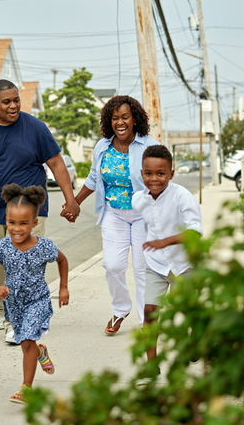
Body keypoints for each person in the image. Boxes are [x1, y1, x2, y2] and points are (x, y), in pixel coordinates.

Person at [0, 79, 80, 344]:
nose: (13, 106)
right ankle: (1, 310)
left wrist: (71, 200)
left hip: (29, 211)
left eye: (16, 100)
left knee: (26, 265)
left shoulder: (35, 128)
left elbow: (56, 163)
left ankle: (18, 320)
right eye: (6, 102)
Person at [68, 95, 159, 335]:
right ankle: (120, 308)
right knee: (112, 265)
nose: (120, 122)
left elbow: (162, 179)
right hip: (113, 213)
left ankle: (145, 322)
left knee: (143, 269)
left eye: (125, 117)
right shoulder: (102, 146)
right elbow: (93, 179)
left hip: (143, 216)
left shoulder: (149, 145)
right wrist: (74, 203)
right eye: (115, 118)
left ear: (135, 120)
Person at [0, 184, 69, 405]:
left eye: (23, 223)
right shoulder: (1, 246)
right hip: (14, 304)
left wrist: (63, 287)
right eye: (12, 222)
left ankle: (27, 388)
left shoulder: (44, 246)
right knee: (26, 344)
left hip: (38, 300)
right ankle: (40, 352)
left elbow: (62, 260)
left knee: (29, 337)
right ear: (6, 221)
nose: (17, 229)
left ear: (34, 223)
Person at [131, 145, 203, 366]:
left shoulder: (182, 196)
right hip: (157, 265)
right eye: (149, 173)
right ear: (141, 173)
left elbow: (196, 231)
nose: (154, 179)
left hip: (184, 264)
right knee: (150, 310)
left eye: (161, 174)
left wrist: (166, 241)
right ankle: (151, 365)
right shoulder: (138, 200)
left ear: (171, 174)